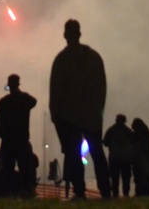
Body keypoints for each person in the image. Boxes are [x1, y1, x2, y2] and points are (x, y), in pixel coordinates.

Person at [49, 19, 111, 199]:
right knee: (97, 153)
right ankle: (106, 191)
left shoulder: (61, 60)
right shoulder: (94, 57)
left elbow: (56, 90)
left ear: (65, 35)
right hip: (92, 116)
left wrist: (55, 114)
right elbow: (102, 87)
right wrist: (98, 111)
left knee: (73, 155)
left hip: (68, 117)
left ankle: (79, 191)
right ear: (80, 33)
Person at [0, 73, 38, 196]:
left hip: (8, 141)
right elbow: (34, 101)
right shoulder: (25, 99)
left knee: (7, 168)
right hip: (22, 140)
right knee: (25, 168)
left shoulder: (4, 102)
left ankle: (9, 192)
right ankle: (27, 190)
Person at [103, 113, 136, 197]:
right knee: (126, 178)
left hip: (114, 157)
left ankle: (115, 194)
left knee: (114, 178)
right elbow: (134, 143)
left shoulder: (111, 130)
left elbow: (105, 142)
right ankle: (126, 194)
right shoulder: (128, 131)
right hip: (126, 158)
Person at [131, 117, 149, 197]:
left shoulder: (135, 136)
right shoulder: (148, 136)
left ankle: (139, 193)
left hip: (141, 159)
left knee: (139, 178)